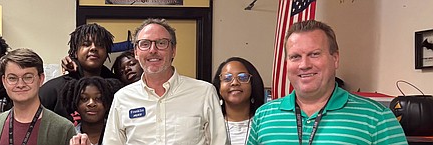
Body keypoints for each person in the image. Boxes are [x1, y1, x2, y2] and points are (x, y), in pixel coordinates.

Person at [247, 20, 407, 144]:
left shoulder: (377, 118)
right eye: (295, 57)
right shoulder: (264, 116)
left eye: (315, 54)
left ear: (335, 59)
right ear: (287, 64)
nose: (304, 65)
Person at [102, 18, 228, 145]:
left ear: (173, 50)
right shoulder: (122, 98)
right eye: (145, 44)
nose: (152, 50)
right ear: (136, 52)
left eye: (161, 43)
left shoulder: (204, 93)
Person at [0, 48, 76, 145]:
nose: (20, 84)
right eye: (12, 78)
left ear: (41, 79)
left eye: (28, 77)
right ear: (4, 81)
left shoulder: (63, 129)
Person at [41, 23, 121, 121]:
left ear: (106, 52)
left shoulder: (118, 90)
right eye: (86, 44)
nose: (93, 48)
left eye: (100, 45)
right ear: (75, 52)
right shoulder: (54, 89)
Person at [211, 57, 265, 145]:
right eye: (227, 78)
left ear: (253, 84)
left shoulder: (265, 123)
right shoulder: (210, 124)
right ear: (219, 87)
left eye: (243, 77)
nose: (235, 82)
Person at [64, 77, 121, 145]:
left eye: (98, 98)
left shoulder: (119, 133)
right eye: (84, 99)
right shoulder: (68, 135)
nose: (91, 103)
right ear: (75, 103)